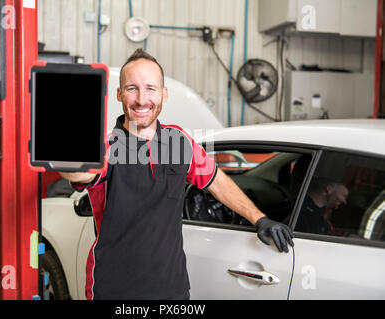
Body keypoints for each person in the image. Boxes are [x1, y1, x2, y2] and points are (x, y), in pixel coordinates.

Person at [59, 49, 294, 300]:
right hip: (114, 288)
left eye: (150, 88)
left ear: (164, 93)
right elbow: (79, 173)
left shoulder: (179, 142)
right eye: (131, 88)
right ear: (118, 94)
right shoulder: (107, 147)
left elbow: (216, 182)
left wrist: (259, 218)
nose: (141, 99)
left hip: (171, 288)